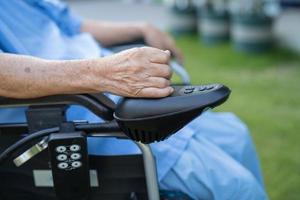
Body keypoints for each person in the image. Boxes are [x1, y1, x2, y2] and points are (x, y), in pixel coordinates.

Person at [0, 0, 268, 199]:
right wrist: (103, 72)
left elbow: (71, 25)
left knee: (236, 135)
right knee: (236, 188)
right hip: (77, 116)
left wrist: (139, 27)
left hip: (111, 89)